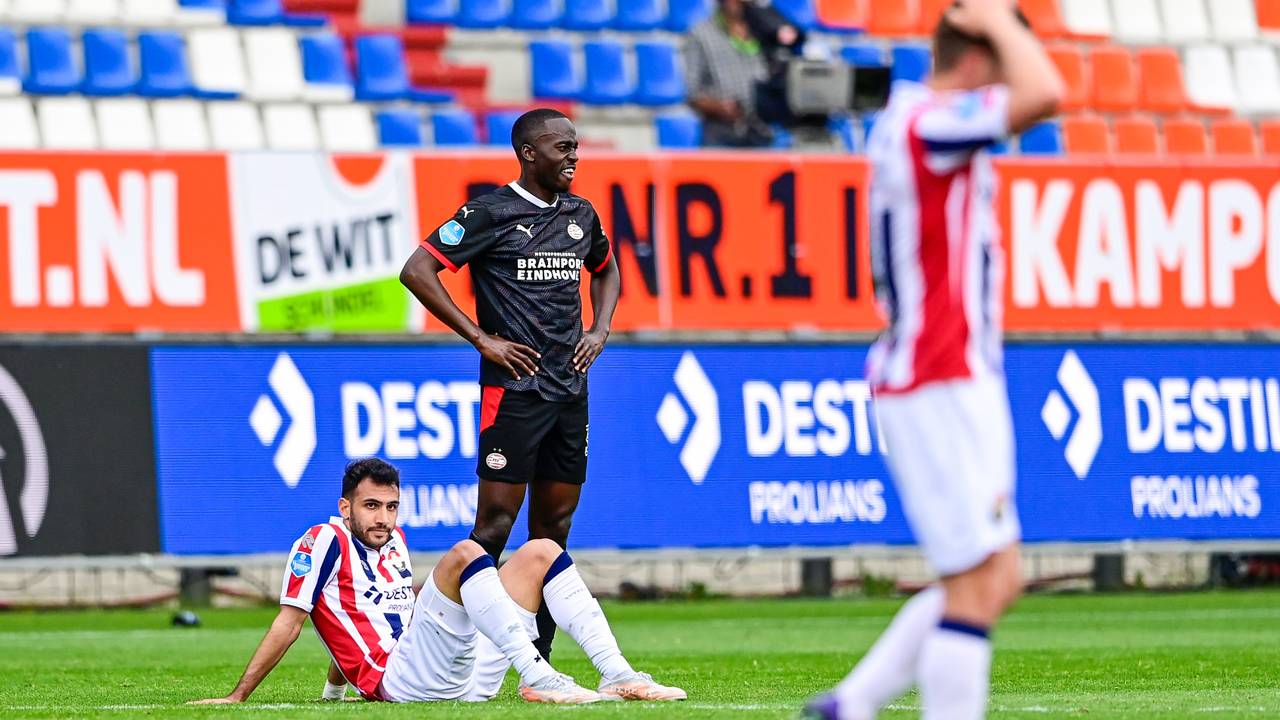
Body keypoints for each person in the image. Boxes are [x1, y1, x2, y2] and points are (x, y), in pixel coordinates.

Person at [805, 1, 1063, 719]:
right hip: (937, 373)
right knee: (979, 583)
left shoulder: (912, 121)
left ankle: (849, 706)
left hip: (952, 373)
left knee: (995, 576)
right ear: (979, 59)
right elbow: (1046, 94)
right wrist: (1003, 22)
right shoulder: (928, 124)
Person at [399, 107, 620, 664]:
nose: (574, 156)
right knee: (492, 528)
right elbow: (417, 270)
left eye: (575, 146)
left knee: (553, 535)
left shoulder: (580, 214)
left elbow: (608, 269)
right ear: (529, 153)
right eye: (562, 147)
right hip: (514, 392)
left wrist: (599, 328)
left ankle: (536, 659)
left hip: (570, 392)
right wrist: (482, 339)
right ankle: (429, 650)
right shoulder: (488, 212)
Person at [189, 458, 684, 705]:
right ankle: (539, 675)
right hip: (402, 680)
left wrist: (333, 694)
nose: (384, 518)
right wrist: (237, 698)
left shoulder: (395, 541)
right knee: (467, 552)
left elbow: (361, 619)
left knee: (542, 551)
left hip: (455, 675)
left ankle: (617, 673)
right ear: (346, 507)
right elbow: (292, 622)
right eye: (371, 506)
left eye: (390, 506)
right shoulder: (322, 540)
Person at [685, 0, 777, 147]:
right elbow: (692, 93)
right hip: (720, 133)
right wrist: (719, 107)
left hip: (761, 131)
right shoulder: (700, 34)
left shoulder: (764, 31)